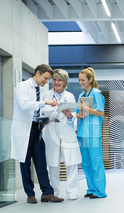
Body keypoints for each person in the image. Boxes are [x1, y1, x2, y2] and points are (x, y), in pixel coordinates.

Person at [11, 64, 64, 203]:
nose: (46, 82)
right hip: (23, 130)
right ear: (38, 73)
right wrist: (45, 102)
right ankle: (30, 194)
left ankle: (47, 192)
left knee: (41, 161)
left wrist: (46, 116)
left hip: (36, 128)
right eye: (45, 78)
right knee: (25, 162)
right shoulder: (22, 86)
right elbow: (25, 105)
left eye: (48, 80)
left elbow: (37, 110)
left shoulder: (38, 89)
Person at [42, 69, 82, 200]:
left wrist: (70, 116)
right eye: (54, 79)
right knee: (53, 164)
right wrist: (55, 111)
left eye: (59, 80)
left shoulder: (69, 96)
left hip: (67, 133)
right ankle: (55, 192)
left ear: (65, 82)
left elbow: (71, 118)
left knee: (71, 163)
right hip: (51, 133)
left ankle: (72, 191)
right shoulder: (46, 95)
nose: (56, 82)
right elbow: (44, 113)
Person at [76, 67, 107, 199]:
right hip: (82, 133)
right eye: (79, 80)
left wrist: (86, 108)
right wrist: (80, 113)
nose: (81, 82)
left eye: (83, 80)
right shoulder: (81, 96)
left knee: (96, 162)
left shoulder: (96, 94)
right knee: (86, 163)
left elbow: (101, 113)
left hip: (93, 134)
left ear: (90, 80)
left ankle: (100, 191)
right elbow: (78, 115)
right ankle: (91, 189)